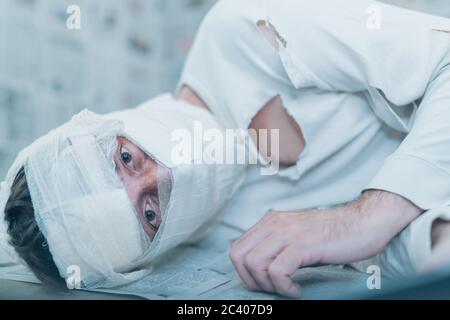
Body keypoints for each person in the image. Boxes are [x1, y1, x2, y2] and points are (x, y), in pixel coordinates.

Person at [1, 0, 450, 297]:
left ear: (101, 123)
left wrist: (365, 215)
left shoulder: (243, 34)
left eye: (126, 159)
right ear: (151, 257)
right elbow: (395, 248)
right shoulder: (241, 250)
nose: (164, 177)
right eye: (149, 215)